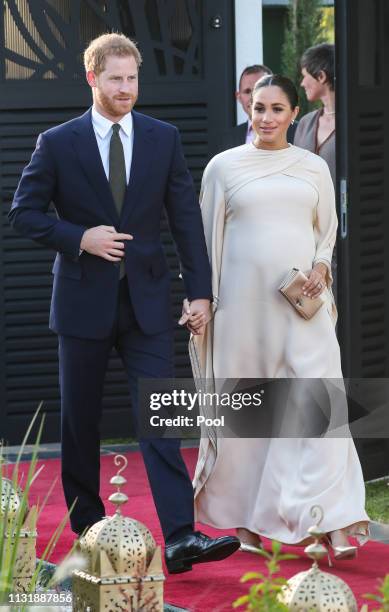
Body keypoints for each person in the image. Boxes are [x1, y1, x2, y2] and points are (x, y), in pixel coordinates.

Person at [9, 32, 240, 574]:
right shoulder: (57, 142)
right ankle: (91, 537)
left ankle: (181, 536)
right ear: (93, 78)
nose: (126, 88)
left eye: (132, 78)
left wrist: (200, 291)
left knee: (160, 415)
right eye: (115, 78)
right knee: (80, 422)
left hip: (149, 303)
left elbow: (185, 218)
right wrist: (79, 237)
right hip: (81, 302)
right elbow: (24, 212)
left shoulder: (164, 137)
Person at [185, 74, 368, 559]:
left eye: (276, 109)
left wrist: (322, 269)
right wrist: (200, 301)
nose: (265, 118)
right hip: (242, 311)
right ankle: (244, 523)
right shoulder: (222, 167)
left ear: (293, 114)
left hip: (302, 308)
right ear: (248, 107)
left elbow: (326, 234)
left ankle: (330, 523)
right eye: (258, 107)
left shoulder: (312, 168)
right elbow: (204, 245)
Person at [294, 44, 337, 298]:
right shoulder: (307, 122)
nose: (302, 82)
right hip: (307, 234)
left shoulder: (355, 120)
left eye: (305, 75)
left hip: (344, 234)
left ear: (321, 76)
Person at [217, 64, 297, 152]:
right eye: (247, 91)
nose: (254, 97)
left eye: (260, 89)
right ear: (239, 97)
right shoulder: (227, 139)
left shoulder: (300, 131)